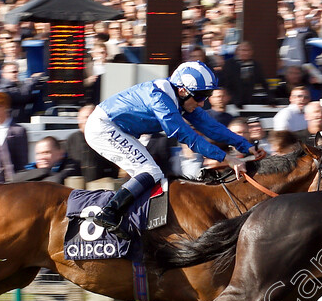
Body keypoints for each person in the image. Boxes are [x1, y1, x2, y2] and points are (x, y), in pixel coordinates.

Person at [84, 61, 266, 236]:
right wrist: (227, 159)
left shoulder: (180, 98)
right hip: (103, 127)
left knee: (154, 176)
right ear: (182, 90)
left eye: (206, 96)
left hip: (118, 129)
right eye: (200, 96)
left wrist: (247, 146)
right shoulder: (160, 99)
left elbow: (212, 127)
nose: (203, 103)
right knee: (150, 171)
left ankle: (133, 220)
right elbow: (187, 136)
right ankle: (109, 213)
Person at [66, 104, 119, 183]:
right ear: (79, 119)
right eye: (86, 117)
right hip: (78, 185)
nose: (87, 120)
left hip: (102, 184)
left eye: (91, 117)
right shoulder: (72, 139)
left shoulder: (107, 138)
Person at [13, 136, 82, 184]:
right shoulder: (31, 168)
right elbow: (15, 179)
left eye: (46, 153)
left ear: (60, 154)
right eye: (38, 154)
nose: (42, 157)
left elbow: (55, 181)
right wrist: (43, 171)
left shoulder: (71, 166)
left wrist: (44, 172)